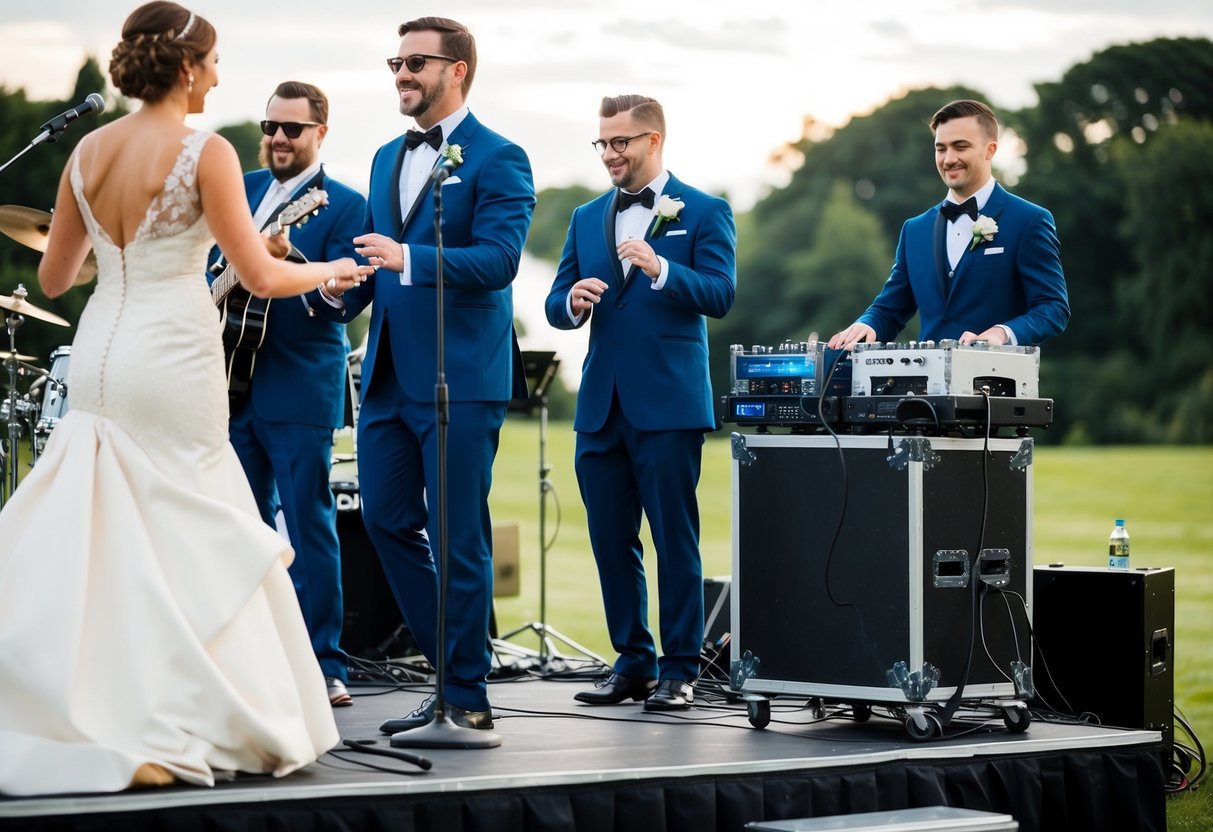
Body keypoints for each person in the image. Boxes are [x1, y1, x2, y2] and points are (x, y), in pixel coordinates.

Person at [0, 1, 369, 796]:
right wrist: (331, 270)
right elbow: (261, 276)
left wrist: (121, 249)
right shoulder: (208, 151)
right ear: (188, 66)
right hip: (171, 355)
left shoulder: (88, 150)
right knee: (187, 518)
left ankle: (91, 698)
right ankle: (179, 708)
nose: (219, 77)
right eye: (215, 61)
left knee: (104, 520)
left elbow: (56, 279)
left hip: (101, 352)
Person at [315, 16, 534, 732]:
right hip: (385, 377)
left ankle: (466, 697)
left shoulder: (500, 157)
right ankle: (451, 671)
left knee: (457, 534)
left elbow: (500, 261)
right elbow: (379, 264)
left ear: (456, 70)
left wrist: (408, 258)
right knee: (384, 519)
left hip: (460, 379)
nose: (402, 74)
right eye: (396, 63)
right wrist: (339, 291)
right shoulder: (386, 156)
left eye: (416, 63)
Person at [544, 95, 736, 712]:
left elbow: (721, 293)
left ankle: (680, 669)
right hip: (600, 405)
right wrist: (570, 301)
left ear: (653, 140)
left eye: (619, 142)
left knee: (674, 540)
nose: (609, 154)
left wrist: (661, 270)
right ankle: (632, 663)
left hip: (669, 404)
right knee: (610, 539)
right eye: (602, 143)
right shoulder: (585, 217)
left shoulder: (705, 210)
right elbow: (555, 301)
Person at [212, 81, 367, 708]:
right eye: (270, 126)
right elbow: (208, 264)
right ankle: (246, 660)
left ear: (320, 133)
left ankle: (324, 663)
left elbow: (347, 300)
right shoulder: (240, 187)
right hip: (228, 383)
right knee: (237, 526)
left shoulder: (346, 204)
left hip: (300, 385)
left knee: (308, 524)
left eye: (292, 129)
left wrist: (292, 257)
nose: (278, 138)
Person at [828, 99, 1069, 350]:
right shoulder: (914, 230)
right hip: (924, 375)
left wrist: (1002, 333)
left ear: (990, 151)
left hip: (998, 373)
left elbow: (1054, 307)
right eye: (941, 149)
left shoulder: (1029, 220)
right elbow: (890, 310)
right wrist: (868, 324)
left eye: (960, 147)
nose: (949, 159)